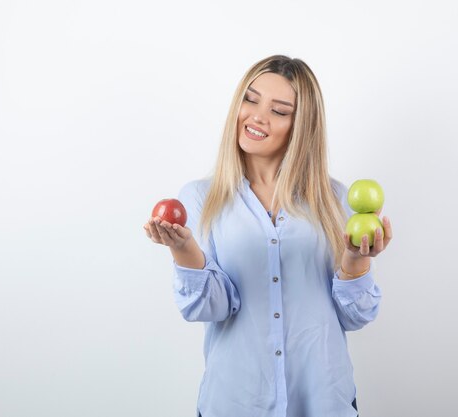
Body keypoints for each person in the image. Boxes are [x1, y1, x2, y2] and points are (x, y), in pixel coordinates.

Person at [143, 55, 393, 417]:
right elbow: (211, 307)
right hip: (235, 402)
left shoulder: (336, 201)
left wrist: (356, 260)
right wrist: (184, 249)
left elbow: (355, 316)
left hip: (323, 401)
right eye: (250, 99)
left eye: (279, 110)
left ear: (301, 125)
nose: (257, 116)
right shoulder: (200, 198)